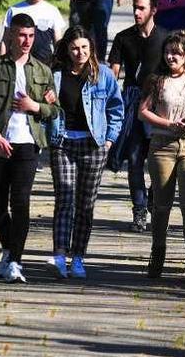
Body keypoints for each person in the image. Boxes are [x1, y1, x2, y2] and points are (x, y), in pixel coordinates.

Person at [0, 13, 58, 283]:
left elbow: (54, 110)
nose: (26, 41)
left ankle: (15, 262)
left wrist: (34, 107)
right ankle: (9, 248)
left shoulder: (42, 70)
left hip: (28, 143)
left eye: (31, 36)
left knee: (21, 202)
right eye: (22, 35)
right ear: (11, 35)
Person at [44, 27, 124, 280]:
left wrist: (110, 140)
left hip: (93, 144)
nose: (80, 53)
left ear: (91, 49)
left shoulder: (104, 75)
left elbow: (116, 109)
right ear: (67, 49)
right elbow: (43, 110)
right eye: (75, 48)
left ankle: (78, 257)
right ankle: (59, 255)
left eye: (84, 48)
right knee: (65, 198)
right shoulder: (54, 75)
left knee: (86, 204)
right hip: (63, 142)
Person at [139, 31, 185, 285]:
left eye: (177, 52)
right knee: (161, 205)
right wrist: (168, 124)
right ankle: (157, 255)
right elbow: (143, 112)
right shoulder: (158, 80)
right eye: (168, 52)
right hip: (162, 145)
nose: (171, 57)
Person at [107, 0, 168, 232]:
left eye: (141, 8)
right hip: (132, 101)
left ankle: (153, 199)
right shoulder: (124, 38)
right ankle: (139, 209)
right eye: (135, 7)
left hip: (159, 101)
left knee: (158, 160)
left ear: (153, 10)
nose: (136, 12)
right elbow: (113, 73)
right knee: (134, 159)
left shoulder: (164, 38)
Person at [0, 0, 66, 66]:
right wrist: (0, 64)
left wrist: (60, 65)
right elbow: (5, 40)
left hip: (44, 65)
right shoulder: (14, 10)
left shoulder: (52, 11)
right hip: (18, 63)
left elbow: (58, 43)